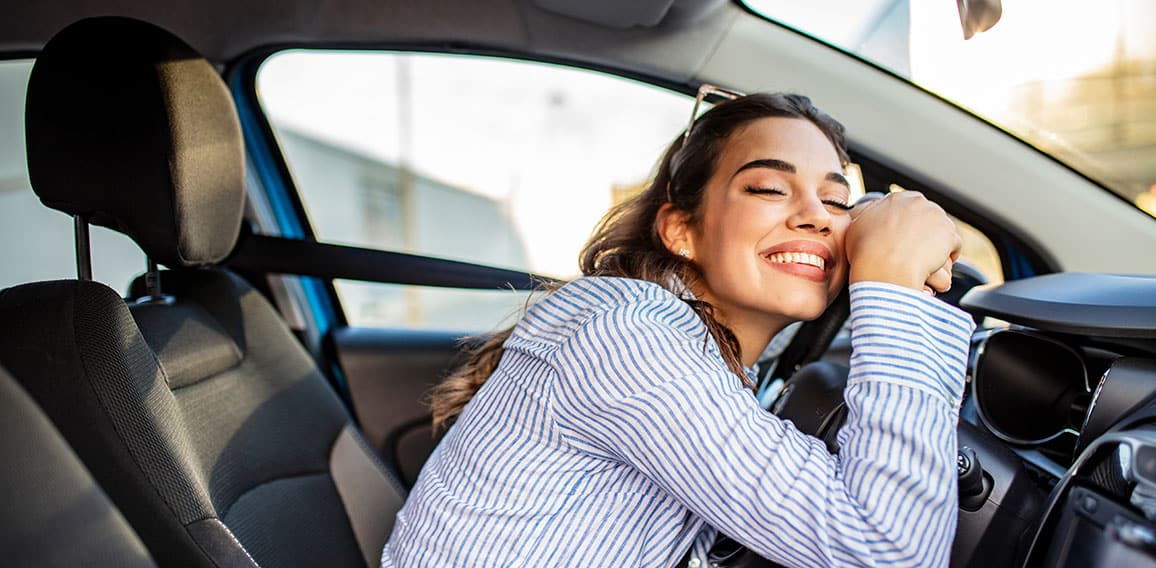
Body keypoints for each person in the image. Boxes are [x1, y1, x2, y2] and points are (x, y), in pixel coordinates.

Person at [381, 89, 973, 567]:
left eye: (837, 201)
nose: (816, 215)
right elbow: (886, 552)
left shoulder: (716, 352)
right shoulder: (628, 333)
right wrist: (890, 286)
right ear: (681, 230)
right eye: (768, 188)